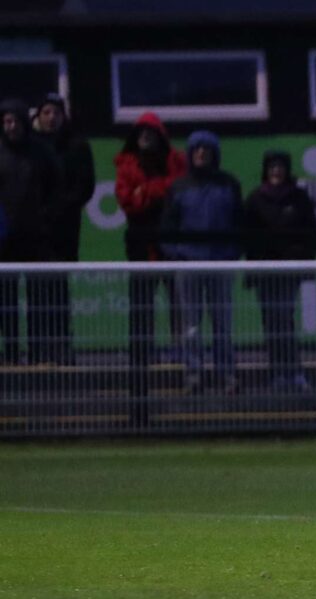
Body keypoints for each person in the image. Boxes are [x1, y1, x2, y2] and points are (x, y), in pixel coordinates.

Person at [115, 112, 187, 424]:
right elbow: (127, 201)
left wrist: (147, 191)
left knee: (179, 305)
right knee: (141, 308)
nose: (145, 137)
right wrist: (156, 192)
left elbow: (178, 190)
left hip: (171, 246)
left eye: (151, 132)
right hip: (140, 247)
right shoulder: (127, 164)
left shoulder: (175, 161)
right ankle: (142, 358)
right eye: (141, 132)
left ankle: (181, 357)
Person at [161, 130, 243, 394]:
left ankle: (227, 374)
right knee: (191, 325)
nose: (201, 153)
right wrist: (178, 255)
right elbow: (167, 228)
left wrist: (232, 253)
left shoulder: (229, 184)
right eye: (197, 149)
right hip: (189, 264)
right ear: (190, 153)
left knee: (223, 322)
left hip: (221, 263)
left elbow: (239, 224)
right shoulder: (179, 187)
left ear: (214, 154)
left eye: (206, 149)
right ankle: (193, 374)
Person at [243, 150, 316, 392]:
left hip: (289, 270)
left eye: (280, 166)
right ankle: (277, 373)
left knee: (285, 319)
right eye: (272, 166)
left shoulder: (298, 198)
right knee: (270, 322)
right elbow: (248, 235)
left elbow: (311, 231)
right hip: (265, 271)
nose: (276, 171)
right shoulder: (255, 199)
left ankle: (294, 371)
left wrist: (299, 255)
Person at [33, 93, 96, 365]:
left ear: (63, 116)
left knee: (59, 291)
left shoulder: (77, 146)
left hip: (64, 232)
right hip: (35, 232)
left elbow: (85, 187)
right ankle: (38, 350)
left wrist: (60, 208)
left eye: (56, 112)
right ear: (39, 116)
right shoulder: (31, 146)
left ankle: (61, 349)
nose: (51, 117)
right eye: (46, 112)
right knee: (36, 292)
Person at [0, 98, 59, 365]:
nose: (10, 126)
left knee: (37, 299)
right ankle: (11, 354)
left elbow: (56, 186)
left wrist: (44, 218)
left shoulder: (40, 152)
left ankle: (37, 354)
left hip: (35, 236)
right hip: (4, 239)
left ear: (24, 122)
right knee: (6, 302)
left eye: (14, 121)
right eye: (5, 121)